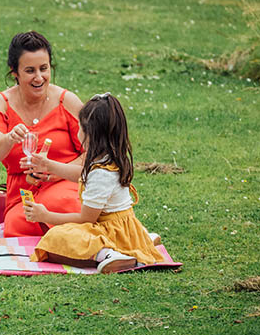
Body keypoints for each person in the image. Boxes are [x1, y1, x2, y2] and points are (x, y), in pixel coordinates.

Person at [23, 92, 166, 273]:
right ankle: (138, 240)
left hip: (108, 228)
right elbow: (83, 175)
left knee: (56, 237)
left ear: (90, 134)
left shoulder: (101, 172)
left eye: (79, 127)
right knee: (65, 233)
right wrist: (49, 165)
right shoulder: (107, 159)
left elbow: (86, 219)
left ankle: (110, 254)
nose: (77, 131)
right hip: (121, 225)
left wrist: (47, 216)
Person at [0, 31, 85, 237]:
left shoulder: (67, 101)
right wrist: (9, 138)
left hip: (66, 185)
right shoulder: (2, 103)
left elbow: (96, 153)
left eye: (44, 69)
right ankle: (73, 240)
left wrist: (57, 171)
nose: (39, 77)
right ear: (15, 72)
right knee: (15, 225)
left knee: (62, 204)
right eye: (30, 70)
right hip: (23, 193)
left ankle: (88, 240)